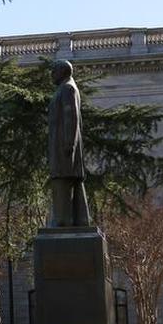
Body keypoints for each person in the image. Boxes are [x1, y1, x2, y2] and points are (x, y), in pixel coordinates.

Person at [48, 60, 91, 227]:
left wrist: (68, 144)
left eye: (54, 71)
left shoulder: (67, 88)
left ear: (62, 71)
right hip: (64, 142)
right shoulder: (66, 88)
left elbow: (70, 116)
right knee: (69, 180)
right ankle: (78, 219)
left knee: (62, 178)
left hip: (64, 144)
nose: (52, 74)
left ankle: (62, 220)